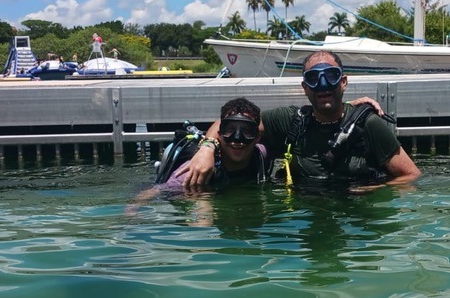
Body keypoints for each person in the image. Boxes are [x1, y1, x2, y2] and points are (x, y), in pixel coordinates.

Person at [184, 50, 420, 189]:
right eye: (314, 78)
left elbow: (411, 175)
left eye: (331, 76)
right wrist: (206, 148)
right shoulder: (290, 120)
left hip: (356, 222)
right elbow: (231, 123)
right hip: (304, 220)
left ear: (343, 82)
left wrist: (375, 189)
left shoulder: (368, 124)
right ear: (305, 87)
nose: (323, 85)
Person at [137, 97, 270, 201]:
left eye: (247, 131)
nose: (237, 139)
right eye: (229, 130)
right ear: (219, 134)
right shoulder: (194, 170)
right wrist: (132, 210)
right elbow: (157, 191)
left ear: (257, 138)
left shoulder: (260, 155)